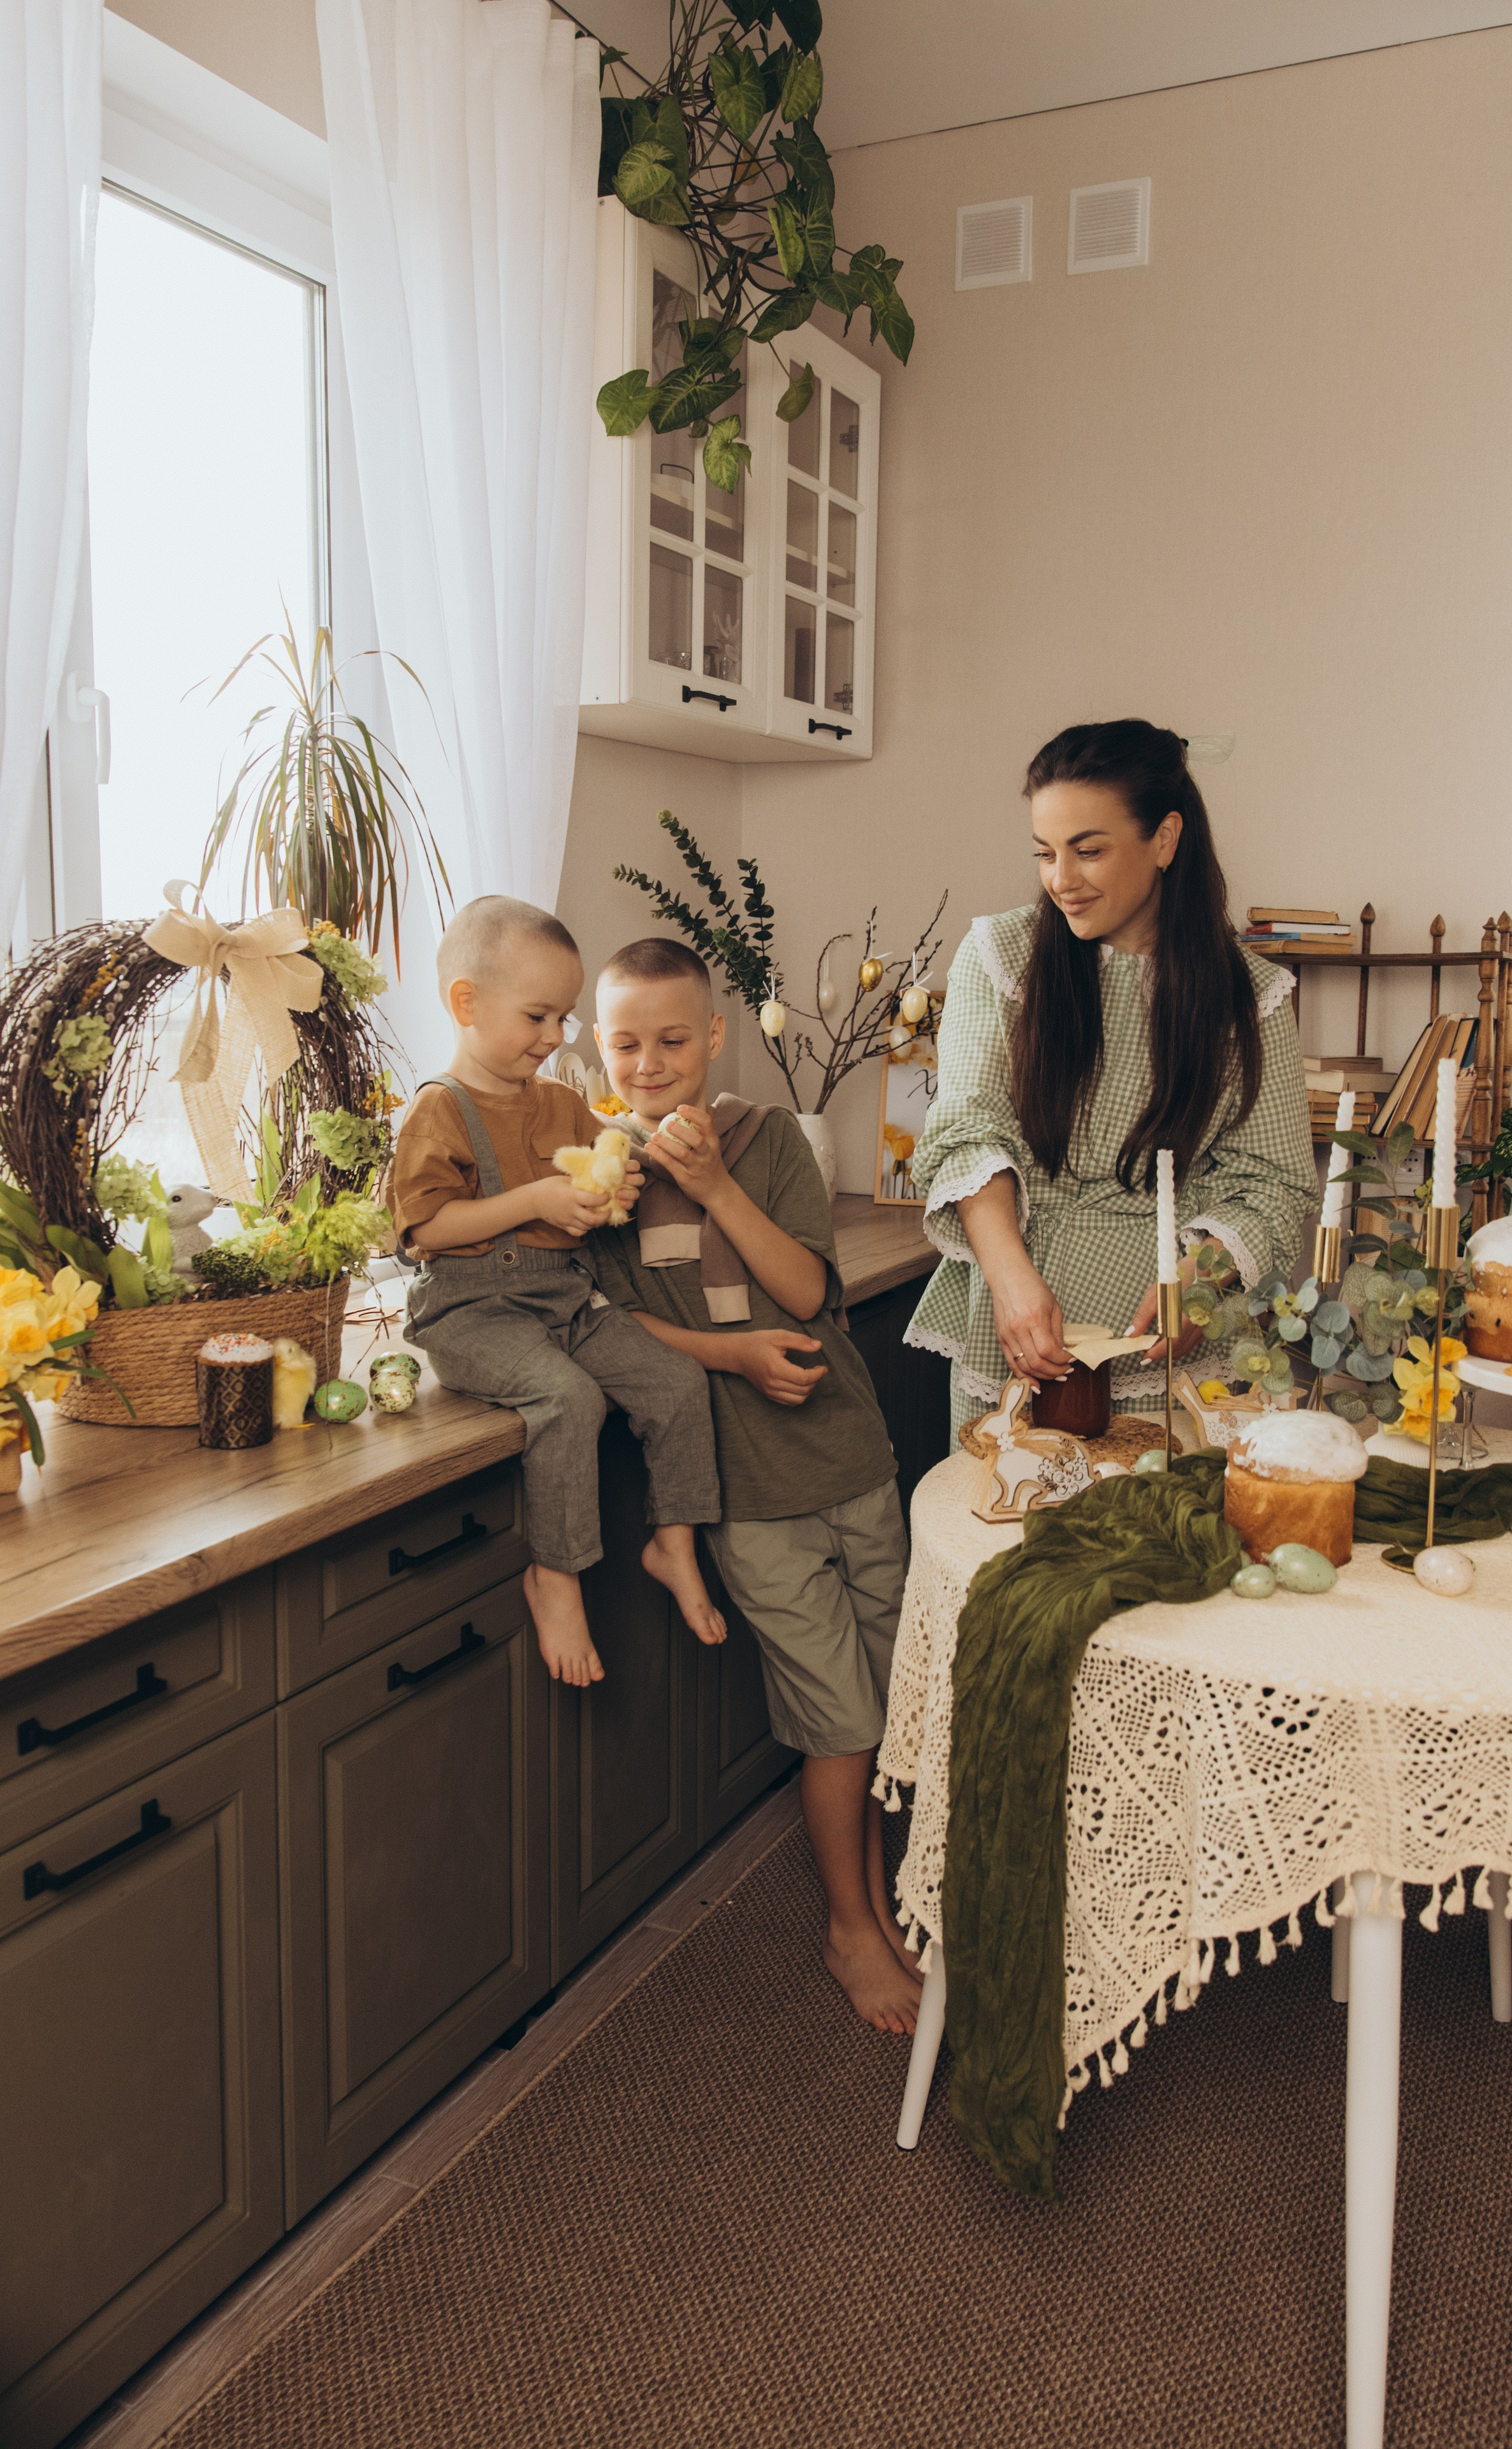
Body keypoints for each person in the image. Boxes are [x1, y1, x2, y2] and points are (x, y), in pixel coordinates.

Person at [586, 937, 922, 2037]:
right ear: (598, 1045)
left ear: (716, 1038)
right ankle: (851, 1927)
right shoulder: (595, 1184)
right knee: (839, 1723)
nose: (649, 1062)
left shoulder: (768, 1139)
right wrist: (730, 1357)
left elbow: (808, 1286)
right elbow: (608, 1327)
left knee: (889, 1701)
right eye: (625, 1041)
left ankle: (885, 1895)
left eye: (674, 1040)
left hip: (853, 1463)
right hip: (749, 1494)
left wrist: (716, 1183)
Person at [908, 720, 1318, 1439]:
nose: (1061, 880)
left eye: (1088, 850)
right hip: (1018, 1330)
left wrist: (1201, 1282)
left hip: (1180, 1361)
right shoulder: (998, 957)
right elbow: (967, 1132)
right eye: (1045, 853)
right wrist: (1010, 1284)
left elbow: (1275, 1185)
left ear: (1163, 839)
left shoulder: (1252, 998)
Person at [389, 895, 725, 1687]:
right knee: (569, 1401)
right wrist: (537, 1202)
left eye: (562, 1020)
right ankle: (557, 1575)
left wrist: (608, 1199)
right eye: (536, 1017)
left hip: (563, 1301)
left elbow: (593, 1203)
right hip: (471, 1311)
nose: (551, 1038)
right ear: (466, 1003)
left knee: (676, 1382)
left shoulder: (561, 1104)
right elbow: (424, 1230)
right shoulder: (439, 1109)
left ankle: (672, 1542)